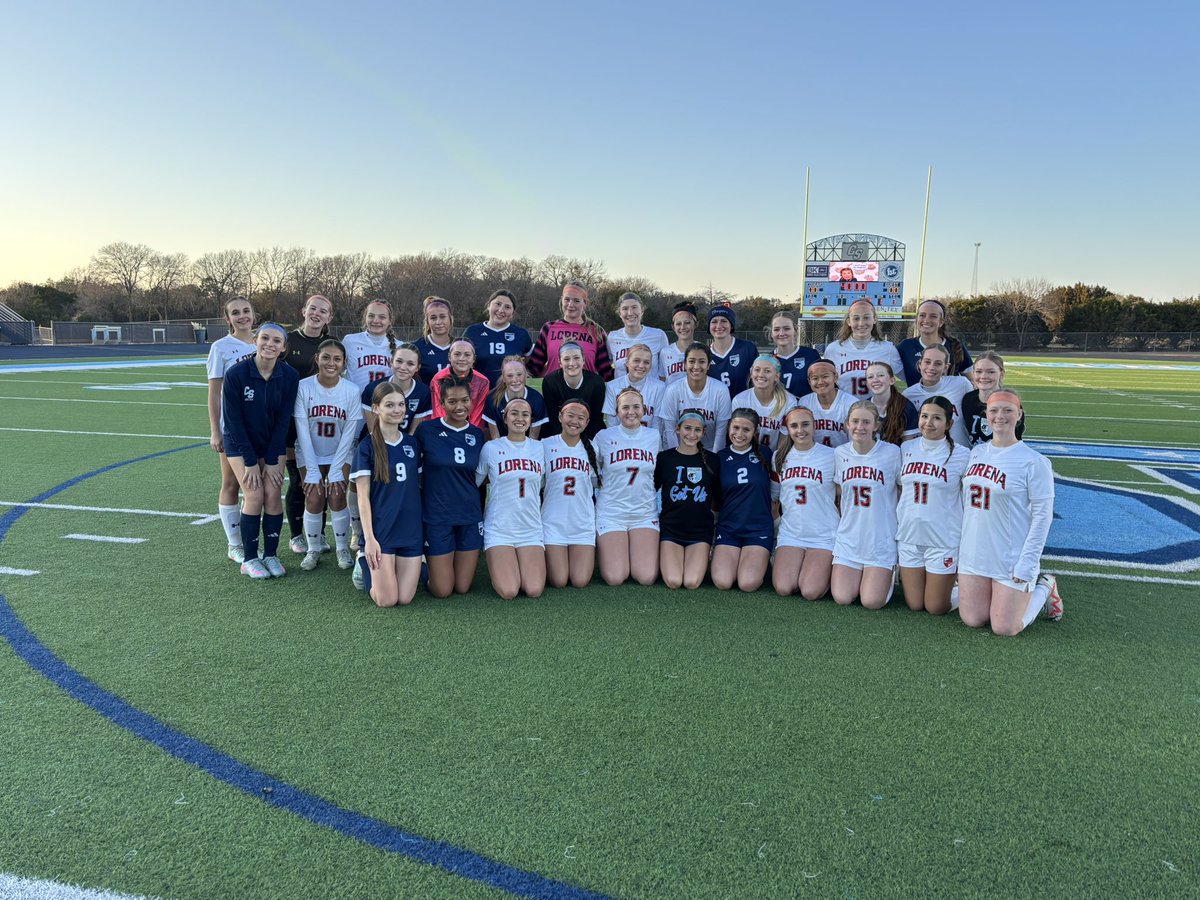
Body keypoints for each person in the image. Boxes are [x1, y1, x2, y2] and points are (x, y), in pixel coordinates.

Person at [958, 390, 1063, 634]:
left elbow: (1042, 516)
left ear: (1019, 414)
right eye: (994, 410)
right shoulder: (976, 453)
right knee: (973, 619)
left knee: (1005, 627)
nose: (1000, 416)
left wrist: (1027, 562)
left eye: (1007, 410)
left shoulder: (1034, 461)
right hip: (975, 552)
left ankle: (1045, 587)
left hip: (1010, 555)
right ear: (986, 415)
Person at [221, 323, 300, 578]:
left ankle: (271, 555)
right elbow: (233, 422)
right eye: (265, 338)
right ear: (255, 341)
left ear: (284, 347)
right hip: (240, 443)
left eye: (277, 341)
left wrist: (276, 459)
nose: (270, 344)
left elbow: (282, 421)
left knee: (273, 493)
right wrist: (251, 461)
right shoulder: (236, 374)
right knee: (254, 494)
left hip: (271, 443)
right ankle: (250, 558)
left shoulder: (289, 376)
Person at [412, 377, 486, 598]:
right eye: (452, 401)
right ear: (441, 403)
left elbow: (480, 475)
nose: (460, 407)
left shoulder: (477, 434)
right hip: (437, 515)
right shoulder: (426, 430)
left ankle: (441, 563)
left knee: (462, 588)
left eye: (465, 400)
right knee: (442, 591)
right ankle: (423, 568)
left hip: (469, 515)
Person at [351, 383, 424, 607]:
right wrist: (370, 540)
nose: (397, 410)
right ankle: (363, 559)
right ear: (376, 408)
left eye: (401, 405)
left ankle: (407, 567)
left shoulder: (412, 444)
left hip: (410, 531)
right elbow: (362, 498)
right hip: (381, 532)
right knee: (387, 600)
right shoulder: (366, 446)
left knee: (404, 598)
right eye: (389, 405)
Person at [897, 397, 970, 614]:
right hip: (909, 536)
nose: (928, 422)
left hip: (943, 538)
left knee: (936, 607)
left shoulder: (962, 454)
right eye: (924, 416)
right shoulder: (905, 448)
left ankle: (967, 590)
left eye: (937, 418)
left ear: (949, 424)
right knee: (915, 605)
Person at [293, 339, 361, 571]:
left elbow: (350, 433)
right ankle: (313, 549)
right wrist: (312, 470)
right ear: (317, 359)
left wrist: (335, 469)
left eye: (337, 359)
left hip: (339, 452)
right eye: (326, 357)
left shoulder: (351, 390)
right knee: (313, 497)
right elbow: (301, 429)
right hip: (309, 450)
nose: (331, 363)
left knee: (337, 495)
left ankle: (342, 547)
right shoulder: (303, 386)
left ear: (344, 363)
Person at [830, 401, 902, 608]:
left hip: (880, 539)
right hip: (849, 538)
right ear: (847, 424)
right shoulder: (840, 453)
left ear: (876, 426)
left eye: (866, 422)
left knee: (872, 602)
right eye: (855, 421)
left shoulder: (892, 453)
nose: (859, 427)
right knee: (842, 598)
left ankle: (889, 572)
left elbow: (901, 489)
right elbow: (839, 493)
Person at [476, 399, 546, 600]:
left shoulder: (540, 448)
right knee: (509, 591)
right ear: (504, 418)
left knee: (534, 590)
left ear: (531, 420)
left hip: (530, 528)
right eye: (514, 413)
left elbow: (541, 483)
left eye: (525, 414)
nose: (520, 418)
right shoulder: (491, 448)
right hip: (500, 529)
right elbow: (476, 482)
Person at [206, 295, 257, 563]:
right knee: (231, 483)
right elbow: (214, 394)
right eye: (235, 313)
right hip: (233, 428)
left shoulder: (263, 341)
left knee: (257, 486)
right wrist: (216, 430)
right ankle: (235, 544)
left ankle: (251, 540)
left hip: (260, 427)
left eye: (246, 311)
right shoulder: (221, 347)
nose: (242, 316)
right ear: (228, 319)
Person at [595, 388, 661, 586]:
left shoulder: (654, 436)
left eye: (636, 407)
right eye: (625, 407)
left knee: (646, 577)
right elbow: (594, 470)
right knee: (615, 577)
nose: (630, 412)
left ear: (644, 410)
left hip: (644, 513)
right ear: (616, 411)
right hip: (611, 513)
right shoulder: (603, 437)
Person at [285, 294, 334, 556]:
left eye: (322, 311)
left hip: (323, 421)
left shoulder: (332, 343)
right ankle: (296, 535)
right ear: (304, 310)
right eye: (312, 308)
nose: (316, 314)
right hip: (293, 421)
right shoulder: (288, 340)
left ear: (329, 317)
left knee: (323, 480)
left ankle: (318, 532)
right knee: (298, 480)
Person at [772, 406, 838, 600]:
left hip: (823, 535)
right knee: (784, 588)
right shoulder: (779, 457)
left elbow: (843, 494)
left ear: (815, 426)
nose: (800, 430)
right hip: (792, 534)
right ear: (787, 429)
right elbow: (775, 496)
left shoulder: (832, 455)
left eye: (805, 424)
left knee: (810, 591)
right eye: (794, 426)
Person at [655, 410, 721, 589]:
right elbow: (651, 489)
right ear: (677, 429)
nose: (692, 434)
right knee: (674, 581)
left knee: (691, 583)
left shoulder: (713, 460)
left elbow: (717, 497)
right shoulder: (664, 458)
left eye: (697, 430)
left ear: (703, 432)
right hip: (671, 530)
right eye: (687, 428)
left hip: (700, 532)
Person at [711, 409, 774, 592]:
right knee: (723, 582)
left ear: (755, 432)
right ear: (729, 427)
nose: (739, 434)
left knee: (748, 584)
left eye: (746, 430)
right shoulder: (719, 458)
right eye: (735, 428)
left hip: (758, 528)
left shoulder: (766, 454)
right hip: (729, 527)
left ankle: (760, 563)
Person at [541, 400, 599, 589]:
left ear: (587, 422)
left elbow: (593, 483)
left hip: (581, 524)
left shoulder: (593, 448)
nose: (575, 421)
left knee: (580, 581)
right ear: (560, 417)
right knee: (558, 581)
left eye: (581, 418)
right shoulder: (545, 445)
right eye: (570, 415)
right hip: (553, 523)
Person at [527, 281, 614, 380]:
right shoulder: (548, 328)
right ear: (561, 300)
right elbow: (534, 367)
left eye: (576, 301)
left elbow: (605, 372)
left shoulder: (596, 331)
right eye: (567, 299)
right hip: (553, 392)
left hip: (585, 393)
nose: (570, 304)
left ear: (585, 303)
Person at [821, 299, 902, 399]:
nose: (861, 323)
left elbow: (905, 381)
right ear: (849, 322)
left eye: (866, 317)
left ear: (874, 319)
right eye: (856, 318)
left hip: (877, 411)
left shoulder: (888, 349)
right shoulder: (833, 349)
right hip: (844, 410)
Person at [658, 343, 732, 451]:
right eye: (691, 361)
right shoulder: (672, 390)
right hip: (678, 449)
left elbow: (721, 432)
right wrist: (675, 458)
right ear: (685, 364)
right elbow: (670, 431)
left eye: (702, 361)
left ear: (708, 365)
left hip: (709, 450)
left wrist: (715, 459)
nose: (696, 366)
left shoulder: (721, 390)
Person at [902, 345, 974, 446]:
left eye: (938, 364)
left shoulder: (961, 384)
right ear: (920, 364)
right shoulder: (908, 395)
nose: (931, 367)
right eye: (927, 362)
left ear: (945, 367)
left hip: (961, 454)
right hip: (929, 457)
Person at [360, 342, 432, 438]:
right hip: (375, 443)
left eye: (410, 364)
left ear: (417, 368)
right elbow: (373, 432)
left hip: (404, 444)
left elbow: (412, 433)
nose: (403, 367)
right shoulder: (373, 389)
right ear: (391, 362)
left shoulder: (422, 391)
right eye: (399, 361)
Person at [464, 289, 533, 387]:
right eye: (498, 304)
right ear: (488, 305)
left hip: (510, 395)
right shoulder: (472, 332)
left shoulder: (521, 334)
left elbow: (530, 362)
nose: (501, 310)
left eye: (507, 307)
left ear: (513, 313)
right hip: (478, 394)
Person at [897, 299, 973, 386]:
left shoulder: (954, 346)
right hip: (916, 399)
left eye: (933, 316)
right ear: (917, 319)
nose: (926, 320)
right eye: (922, 315)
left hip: (948, 399)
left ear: (941, 322)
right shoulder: (905, 346)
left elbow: (971, 380)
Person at [730, 355, 797, 454]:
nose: (761, 375)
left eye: (767, 371)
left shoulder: (789, 401)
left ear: (776, 377)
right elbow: (738, 435)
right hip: (747, 453)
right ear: (751, 373)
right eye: (757, 370)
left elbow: (785, 438)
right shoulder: (740, 400)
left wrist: (776, 460)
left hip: (776, 454)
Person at [540, 342, 606, 440]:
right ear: (560, 362)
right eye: (566, 359)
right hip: (559, 433)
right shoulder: (550, 381)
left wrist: (584, 443)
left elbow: (596, 420)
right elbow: (553, 418)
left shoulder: (597, 382)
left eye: (576, 358)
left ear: (583, 360)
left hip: (588, 433)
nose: (572, 363)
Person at [961, 351, 1026, 445]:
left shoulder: (1010, 402)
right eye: (978, 371)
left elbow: (1015, 441)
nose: (983, 376)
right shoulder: (968, 399)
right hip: (975, 457)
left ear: (1001, 373)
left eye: (991, 372)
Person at [607, 291, 669, 380]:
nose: (630, 313)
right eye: (625, 308)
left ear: (642, 310)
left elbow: (664, 372)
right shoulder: (612, 337)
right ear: (620, 313)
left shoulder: (658, 335)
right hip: (622, 392)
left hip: (651, 392)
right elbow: (607, 366)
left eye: (634, 307)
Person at [483, 356, 549, 439]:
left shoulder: (536, 399)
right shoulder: (492, 399)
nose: (515, 380)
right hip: (502, 447)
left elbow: (533, 438)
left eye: (519, 374)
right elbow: (496, 438)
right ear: (503, 378)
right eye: (510, 376)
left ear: (526, 375)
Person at [603, 343, 665, 430]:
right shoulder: (612, 387)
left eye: (646, 362)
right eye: (636, 360)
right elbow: (612, 426)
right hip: (621, 439)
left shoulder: (659, 387)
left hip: (648, 440)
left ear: (651, 365)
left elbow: (657, 425)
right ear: (627, 362)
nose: (641, 366)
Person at [429, 341, 490, 429]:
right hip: (444, 428)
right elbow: (439, 410)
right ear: (449, 357)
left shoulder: (483, 382)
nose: (462, 358)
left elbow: (478, 414)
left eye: (467, 355)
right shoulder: (438, 379)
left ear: (474, 359)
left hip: (469, 426)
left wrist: (471, 431)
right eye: (457, 354)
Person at [797, 359, 855, 448]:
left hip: (842, 457)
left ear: (835, 377)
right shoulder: (804, 402)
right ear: (809, 381)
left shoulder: (851, 403)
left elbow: (855, 441)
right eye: (815, 378)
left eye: (825, 376)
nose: (820, 382)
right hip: (814, 457)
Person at [343, 299, 397, 390]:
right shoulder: (349, 341)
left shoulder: (400, 346)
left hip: (386, 401)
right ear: (365, 318)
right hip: (356, 402)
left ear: (390, 321)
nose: (376, 321)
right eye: (371, 316)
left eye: (382, 317)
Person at [706, 303, 757, 396]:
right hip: (716, 408)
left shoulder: (747, 348)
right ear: (709, 326)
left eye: (724, 321)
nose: (719, 325)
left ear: (731, 325)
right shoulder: (705, 354)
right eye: (714, 321)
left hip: (743, 407)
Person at [865, 361, 918, 445]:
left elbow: (909, 448)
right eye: (870, 377)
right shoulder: (864, 408)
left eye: (881, 375)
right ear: (867, 384)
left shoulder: (906, 407)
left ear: (892, 380)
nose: (875, 380)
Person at [769, 311, 821, 397]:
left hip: (806, 409)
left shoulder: (811, 355)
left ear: (795, 330)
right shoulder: (768, 360)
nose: (781, 333)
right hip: (778, 410)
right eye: (776, 329)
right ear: (771, 333)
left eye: (787, 328)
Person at [413, 296, 455, 384]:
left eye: (443, 317)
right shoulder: (416, 348)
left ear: (450, 318)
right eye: (433, 318)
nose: (438, 322)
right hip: (426, 397)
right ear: (427, 321)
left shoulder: (460, 346)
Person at [661, 301, 699, 384]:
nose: (682, 327)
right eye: (678, 324)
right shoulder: (665, 352)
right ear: (673, 327)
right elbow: (663, 379)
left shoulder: (703, 350)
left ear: (696, 324)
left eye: (687, 323)